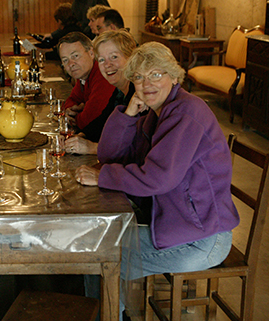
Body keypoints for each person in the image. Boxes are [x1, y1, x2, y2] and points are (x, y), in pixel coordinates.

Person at [74, 43, 239, 313]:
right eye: (138, 77)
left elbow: (157, 179)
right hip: (174, 226)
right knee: (96, 243)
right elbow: (110, 155)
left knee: (98, 255)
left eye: (156, 74)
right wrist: (128, 114)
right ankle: (113, 313)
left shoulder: (186, 113)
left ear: (174, 77)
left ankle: (109, 315)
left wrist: (104, 176)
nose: (145, 83)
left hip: (201, 239)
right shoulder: (155, 113)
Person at [64, 30, 137, 156]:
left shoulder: (142, 93)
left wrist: (93, 148)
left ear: (130, 58)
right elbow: (102, 122)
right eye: (102, 60)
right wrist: (80, 136)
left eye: (114, 57)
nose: (108, 65)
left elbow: (136, 147)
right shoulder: (119, 91)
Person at [58, 32, 115, 143]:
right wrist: (72, 111)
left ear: (91, 53)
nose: (71, 64)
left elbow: (90, 119)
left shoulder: (102, 74)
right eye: (65, 60)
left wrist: (75, 117)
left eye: (75, 56)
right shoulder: (83, 76)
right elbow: (71, 100)